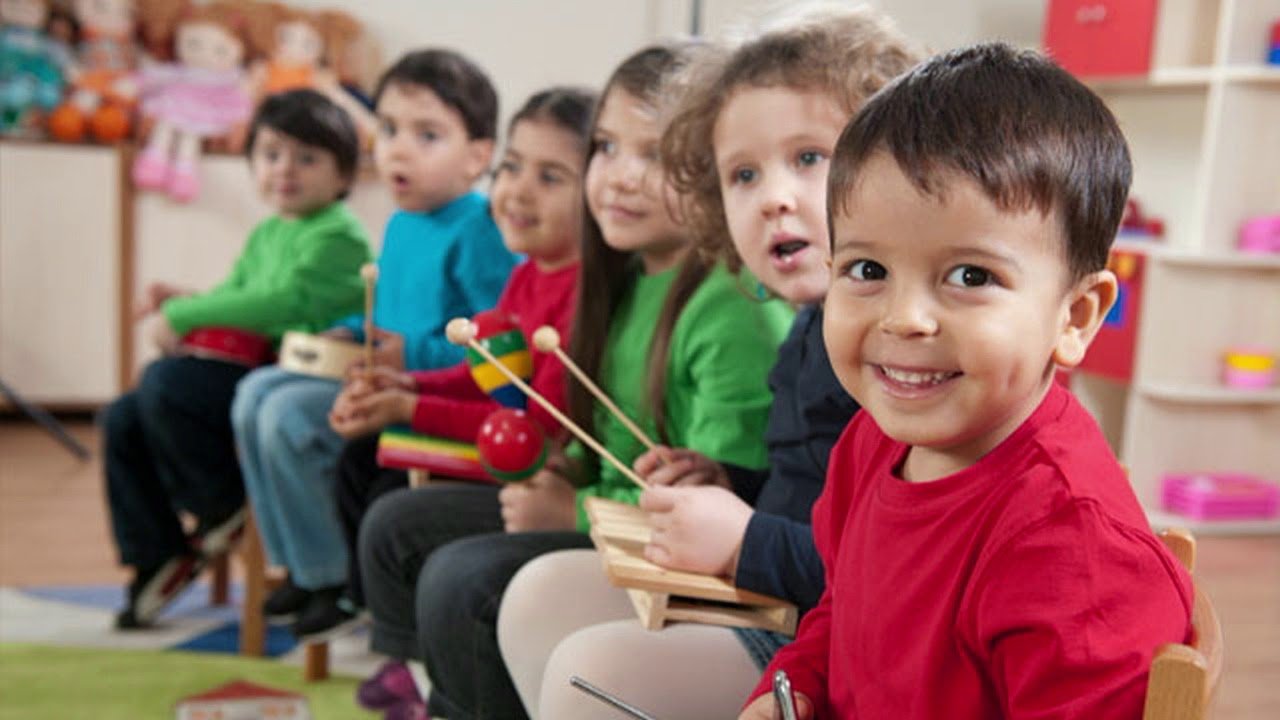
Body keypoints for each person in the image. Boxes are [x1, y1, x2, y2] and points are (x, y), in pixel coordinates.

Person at [740, 42, 1194, 720]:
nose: (906, 319)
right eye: (867, 271)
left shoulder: (1074, 557)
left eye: (971, 277)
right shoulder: (872, 440)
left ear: (1073, 317)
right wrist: (791, 691)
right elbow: (839, 616)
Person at [495, 7, 922, 718]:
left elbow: (887, 569)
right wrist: (733, 483)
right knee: (536, 594)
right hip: (780, 595)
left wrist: (747, 538)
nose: (774, 197)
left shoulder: (898, 356)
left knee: (587, 671)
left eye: (809, 158)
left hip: (836, 644)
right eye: (744, 174)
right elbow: (807, 491)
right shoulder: (810, 329)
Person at [356, 43, 793, 720]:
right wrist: (559, 472)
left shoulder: (729, 309)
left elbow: (714, 505)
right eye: (609, 147)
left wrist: (574, 510)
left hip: (672, 554)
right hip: (613, 510)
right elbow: (592, 440)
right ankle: (423, 694)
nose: (619, 177)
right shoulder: (621, 279)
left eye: (654, 155)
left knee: (463, 581)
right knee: (399, 525)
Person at [269, 85, 597, 640]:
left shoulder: (582, 292)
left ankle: (398, 637)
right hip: (509, 442)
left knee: (388, 497)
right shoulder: (528, 275)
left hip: (540, 467)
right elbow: (489, 374)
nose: (517, 191)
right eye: (512, 168)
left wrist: (410, 404)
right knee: (359, 459)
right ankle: (372, 609)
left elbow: (535, 423)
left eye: (550, 177)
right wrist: (407, 382)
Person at [232, 48, 517, 637]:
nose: (398, 149)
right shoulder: (400, 221)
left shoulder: (479, 227)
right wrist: (350, 329)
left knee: (286, 413)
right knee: (254, 392)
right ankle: (303, 570)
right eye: (387, 129)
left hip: (431, 396)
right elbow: (387, 313)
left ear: (478, 157)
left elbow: (497, 349)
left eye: (427, 134)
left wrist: (408, 356)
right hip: (383, 373)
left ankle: (334, 578)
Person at [103, 88, 372, 629]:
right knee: (122, 416)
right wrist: (185, 301)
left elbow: (287, 302)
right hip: (260, 370)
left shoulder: (339, 235)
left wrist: (182, 315)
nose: (285, 170)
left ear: (344, 176)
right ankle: (158, 551)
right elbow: (235, 298)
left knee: (165, 384)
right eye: (271, 155)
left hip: (297, 376)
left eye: (307, 157)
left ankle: (221, 502)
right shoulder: (270, 231)